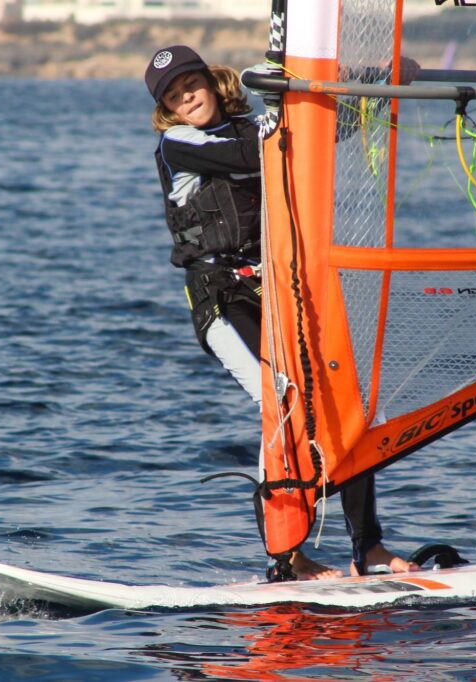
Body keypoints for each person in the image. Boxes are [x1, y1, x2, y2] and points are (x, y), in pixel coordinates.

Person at [146, 45, 418, 580]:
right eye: (175, 96)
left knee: (345, 401)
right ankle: (288, 557)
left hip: (274, 289)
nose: (187, 98)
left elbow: (309, 136)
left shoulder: (257, 125)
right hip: (220, 299)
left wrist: (377, 90)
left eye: (191, 84)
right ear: (169, 110)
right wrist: (289, 114)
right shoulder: (179, 144)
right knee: (284, 405)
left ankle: (369, 549)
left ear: (211, 81)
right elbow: (258, 155)